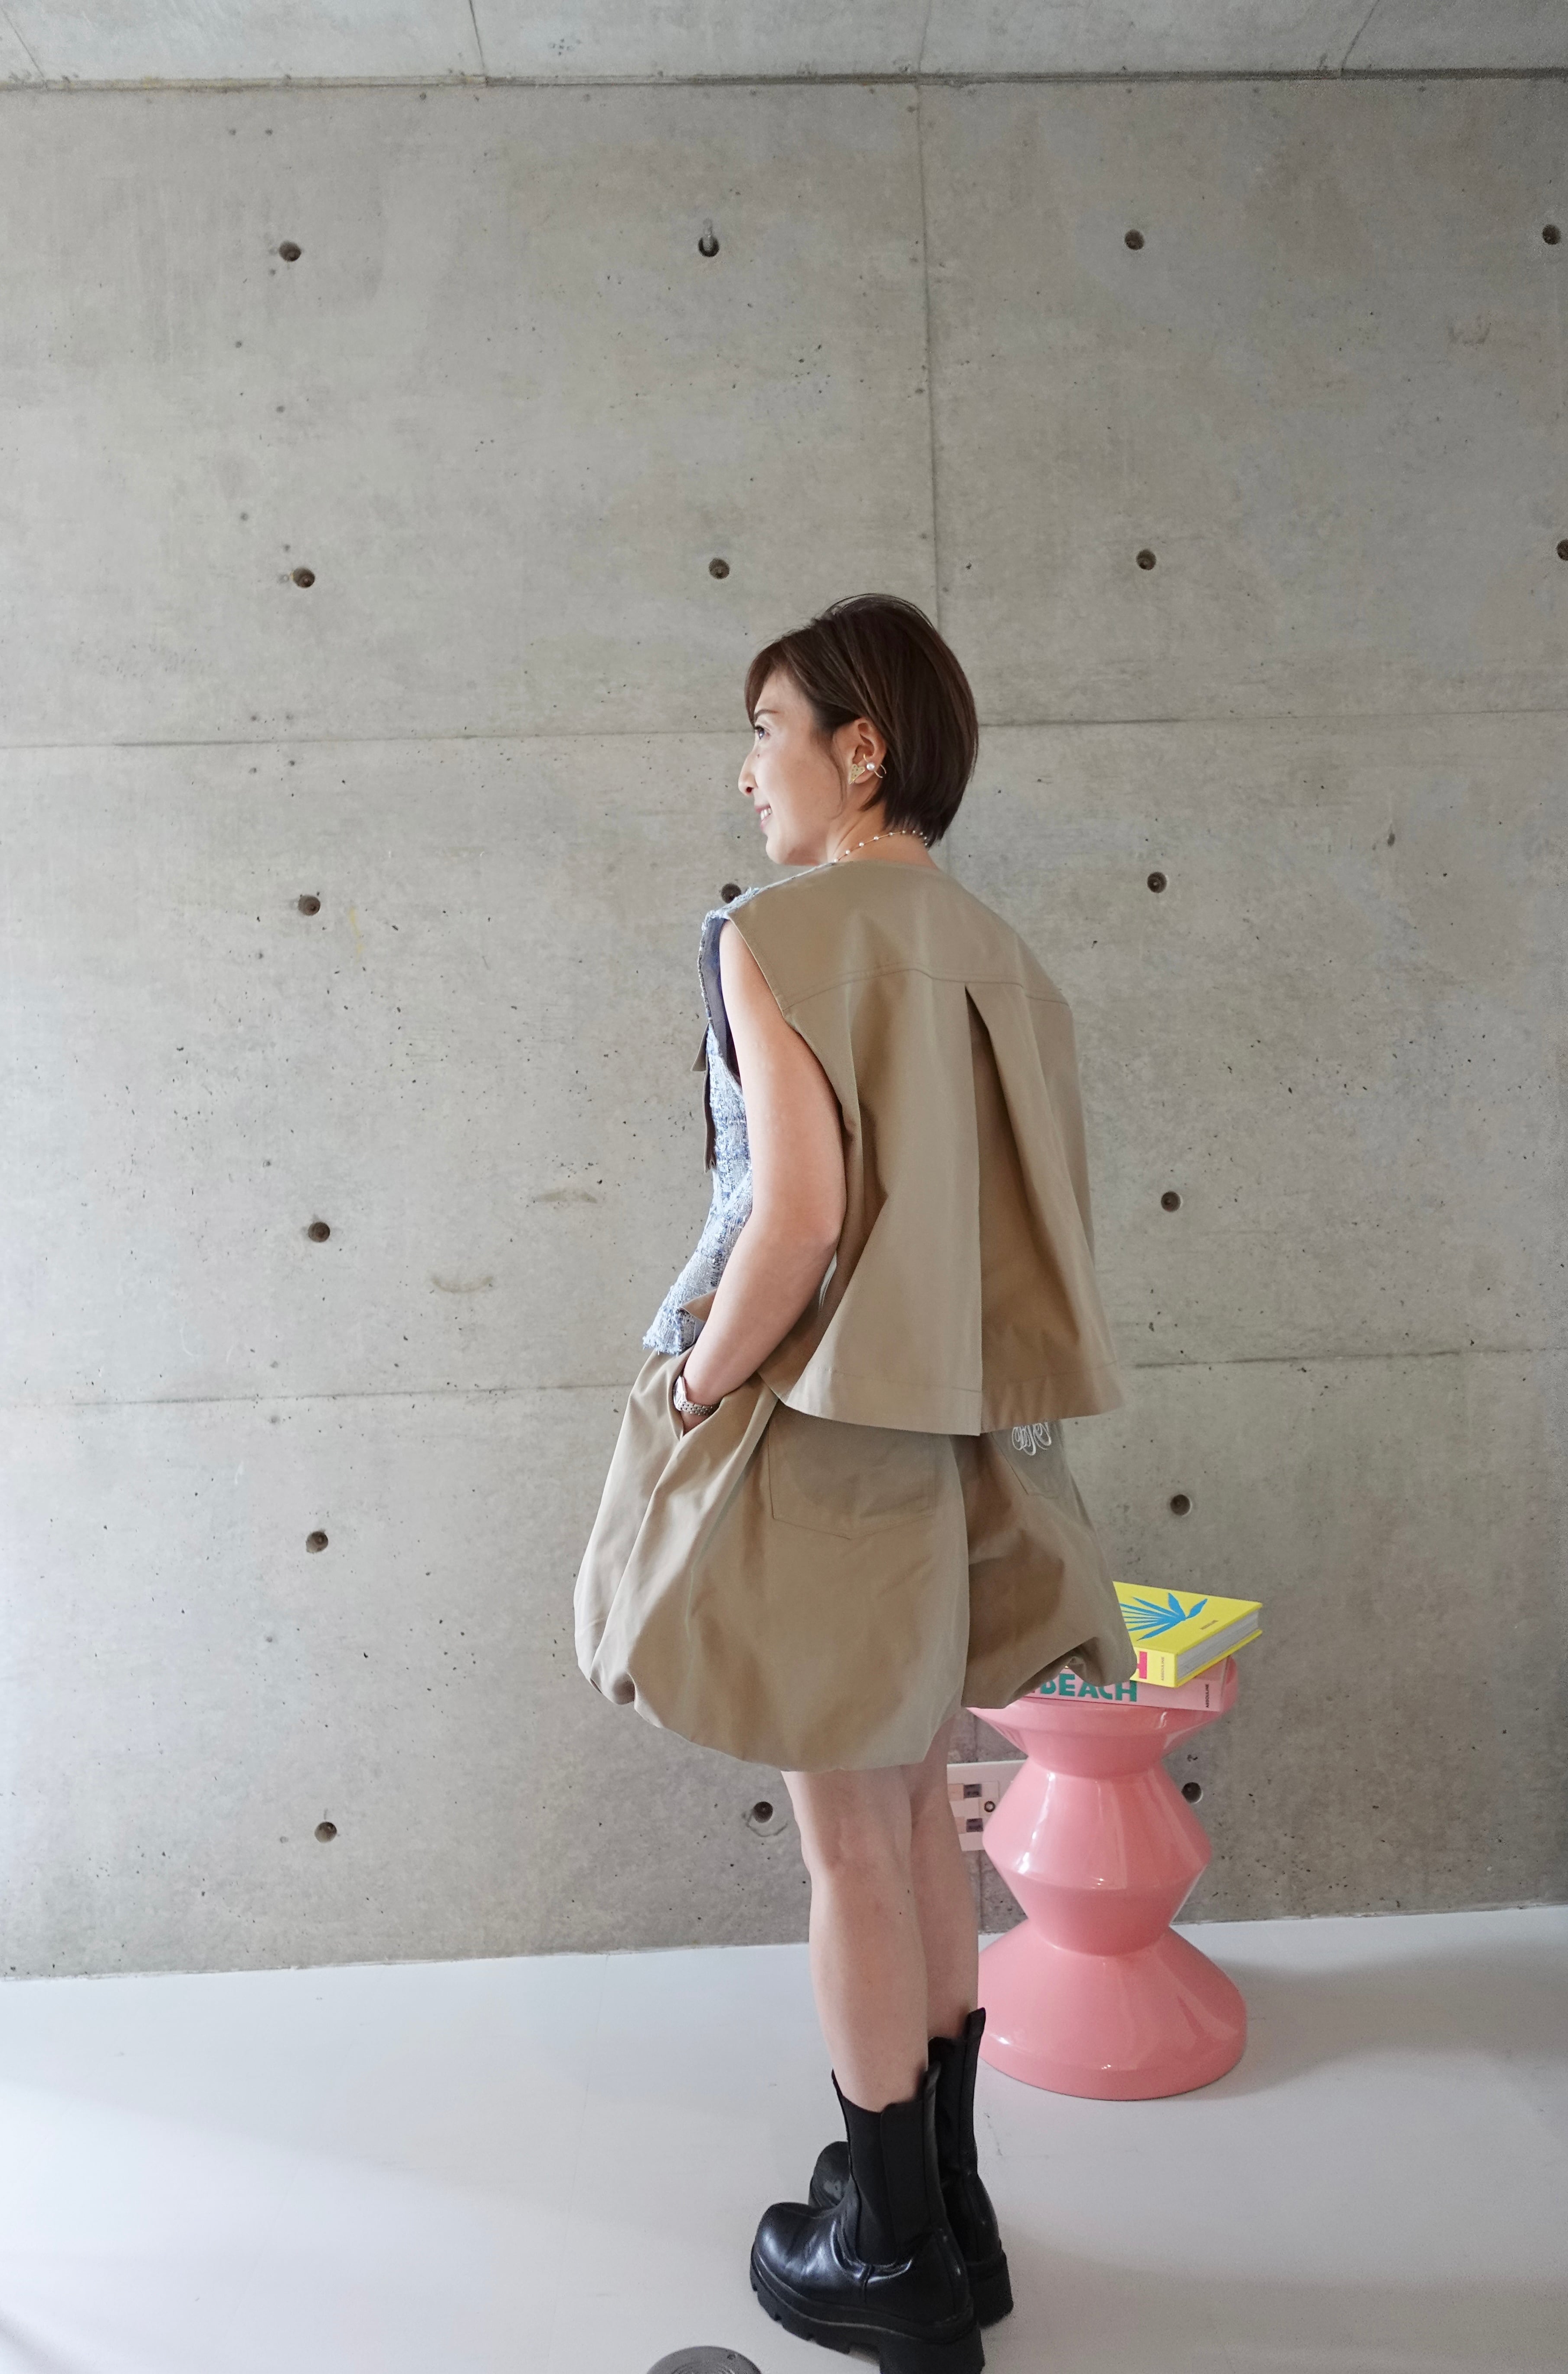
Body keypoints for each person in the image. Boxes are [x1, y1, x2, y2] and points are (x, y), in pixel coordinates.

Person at [574, 594, 1135, 2374]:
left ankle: (883, 2255)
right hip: (956, 1435)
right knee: (916, 1827)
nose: (750, 775)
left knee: (847, 1850)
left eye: (769, 731)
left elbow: (795, 1215)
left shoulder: (778, 932)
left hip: (819, 1432)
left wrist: (696, 1380)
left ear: (860, 749)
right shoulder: (1000, 956)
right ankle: (947, 2216)